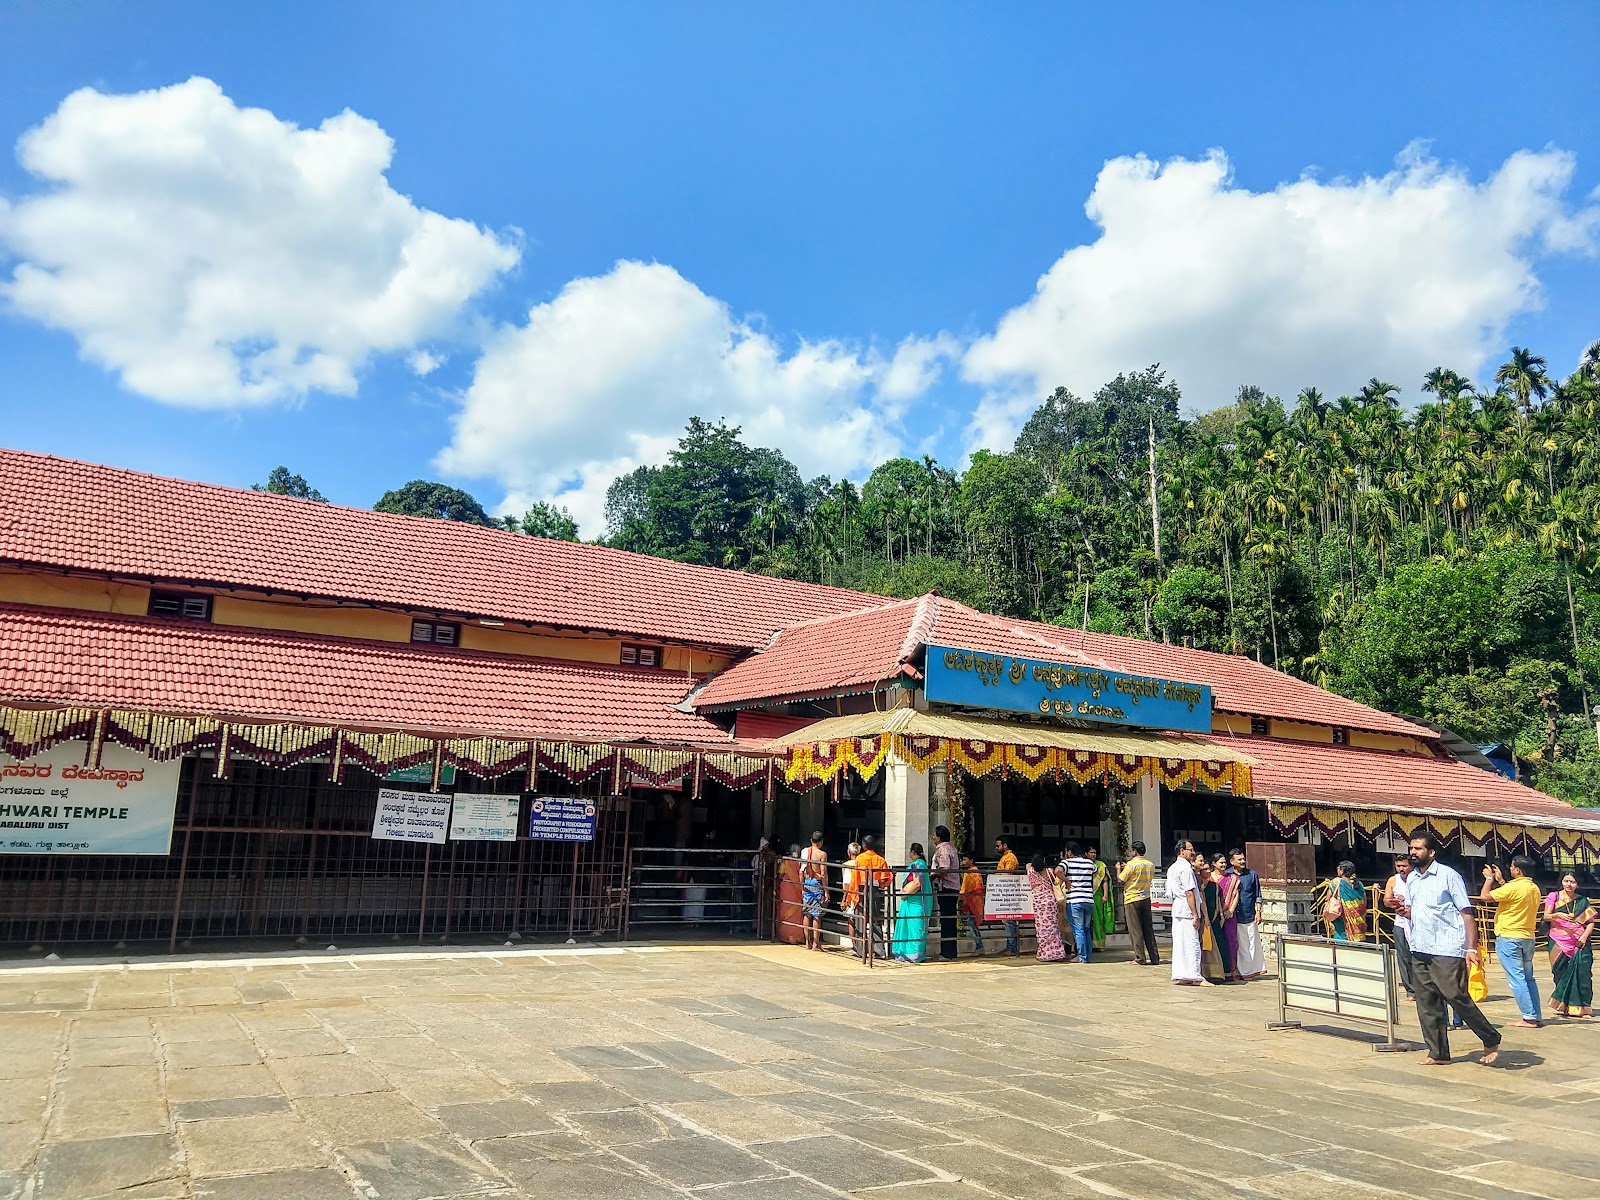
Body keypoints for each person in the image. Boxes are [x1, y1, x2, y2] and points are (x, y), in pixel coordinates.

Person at [1395, 832, 1501, 1066]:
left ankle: (1490, 1037)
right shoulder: (1412, 879)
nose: (1413, 852)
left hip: (1447, 947)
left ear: (1431, 852)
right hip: (1420, 946)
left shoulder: (1448, 876)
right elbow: (1417, 911)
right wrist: (1405, 912)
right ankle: (1438, 1052)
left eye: (1419, 849)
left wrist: (1470, 948)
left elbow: (1466, 913)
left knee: (1454, 995)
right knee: (1427, 1002)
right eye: (1411, 848)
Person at [1480, 856, 1543, 1028]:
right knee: (1528, 978)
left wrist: (1489, 879)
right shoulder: (1533, 888)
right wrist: (1501, 881)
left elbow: (1485, 896)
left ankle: (1529, 1017)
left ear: (1518, 870)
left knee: (1517, 979)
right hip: (1527, 936)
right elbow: (1512, 895)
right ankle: (1535, 1014)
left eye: (1512, 867)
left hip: (1509, 936)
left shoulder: (1514, 887)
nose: (1510, 869)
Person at [1545, 872, 1595, 1019]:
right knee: (1559, 973)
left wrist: (1584, 938)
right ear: (1561, 882)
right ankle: (1564, 1005)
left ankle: (1583, 1007)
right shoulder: (1554, 896)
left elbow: (1590, 922)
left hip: (1579, 943)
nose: (1569, 884)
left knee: (1583, 975)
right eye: (1566, 881)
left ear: (1577, 884)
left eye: (1572, 882)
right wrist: (1557, 915)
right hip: (1558, 940)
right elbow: (1546, 916)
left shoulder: (1582, 901)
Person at [1167, 840, 1210, 986]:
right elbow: (1189, 892)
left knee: (1181, 943)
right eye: (1190, 850)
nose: (1192, 852)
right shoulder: (1184, 869)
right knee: (1192, 943)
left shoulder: (1173, 867)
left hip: (1179, 909)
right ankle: (1194, 975)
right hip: (1186, 910)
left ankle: (1183, 974)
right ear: (1181, 851)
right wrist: (1195, 915)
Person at [1117, 842, 1160, 966]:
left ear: (1135, 851)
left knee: (1135, 930)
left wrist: (1119, 869)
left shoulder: (1131, 864)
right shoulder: (1150, 864)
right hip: (1146, 897)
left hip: (1132, 898)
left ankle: (1140, 957)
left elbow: (1121, 879)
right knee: (1148, 929)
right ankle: (1154, 957)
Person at [891, 842, 933, 963]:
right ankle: (910, 954)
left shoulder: (917, 865)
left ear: (913, 852)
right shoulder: (921, 864)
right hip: (912, 902)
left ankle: (915, 955)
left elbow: (917, 883)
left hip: (915, 902)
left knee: (915, 928)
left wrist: (905, 894)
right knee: (911, 927)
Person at [1384, 855, 1417, 1001]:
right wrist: (1393, 902)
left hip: (1417, 923)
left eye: (1404, 866)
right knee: (1403, 957)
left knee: (1418, 955)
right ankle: (1410, 989)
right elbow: (1386, 899)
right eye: (1398, 866)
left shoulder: (1418, 878)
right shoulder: (1393, 880)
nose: (1401, 869)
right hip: (1400, 923)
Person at [1230, 849, 1264, 980]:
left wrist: (1258, 912)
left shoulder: (1252, 875)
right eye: (1239, 859)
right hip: (1233, 916)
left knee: (1251, 944)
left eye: (1243, 859)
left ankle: (1250, 971)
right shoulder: (1227, 875)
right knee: (1237, 945)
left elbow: (1258, 895)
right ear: (1232, 861)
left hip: (1249, 915)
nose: (1243, 861)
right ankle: (1238, 970)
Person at [855, 836, 892, 958]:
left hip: (861, 890)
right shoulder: (880, 860)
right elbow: (886, 878)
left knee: (861, 919)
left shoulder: (859, 858)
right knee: (875, 920)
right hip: (875, 890)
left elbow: (855, 878)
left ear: (864, 846)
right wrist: (883, 885)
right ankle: (880, 951)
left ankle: (861, 951)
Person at [1026, 853, 1067, 962]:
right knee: (1053, 926)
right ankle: (1057, 952)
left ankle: (1044, 953)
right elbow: (1055, 882)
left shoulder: (1030, 871)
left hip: (1038, 901)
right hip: (1050, 900)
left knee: (1041, 928)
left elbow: (1028, 864)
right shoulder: (1049, 871)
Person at [1059, 842, 1096, 963]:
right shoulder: (1089, 862)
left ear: (1069, 852)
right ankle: (1087, 955)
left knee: (1078, 929)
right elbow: (1094, 870)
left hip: (1075, 899)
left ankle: (1082, 956)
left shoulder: (1067, 862)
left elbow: (1057, 871)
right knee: (1086, 929)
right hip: (1089, 899)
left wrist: (1067, 880)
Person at [931, 825, 961, 961]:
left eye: (934, 835)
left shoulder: (943, 849)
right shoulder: (951, 848)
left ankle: (947, 953)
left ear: (939, 837)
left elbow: (944, 867)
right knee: (949, 920)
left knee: (947, 920)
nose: (933, 837)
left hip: (947, 887)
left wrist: (932, 875)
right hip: (952, 887)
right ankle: (950, 951)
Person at [1196, 859, 1228, 982]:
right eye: (1206, 869)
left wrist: (1220, 915)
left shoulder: (1214, 885)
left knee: (1219, 944)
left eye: (1209, 869)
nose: (1208, 871)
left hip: (1214, 919)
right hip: (1202, 919)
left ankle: (1221, 973)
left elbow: (1218, 901)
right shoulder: (1198, 886)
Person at [1323, 861, 1368, 942]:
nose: (1337, 869)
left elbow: (1327, 898)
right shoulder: (1359, 884)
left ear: (1342, 871)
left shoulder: (1336, 882)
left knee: (1342, 936)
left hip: (1342, 915)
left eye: (1338, 868)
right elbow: (1364, 901)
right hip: (1358, 916)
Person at [800, 831, 828, 951]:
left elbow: (801, 870)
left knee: (807, 913)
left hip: (807, 882)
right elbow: (823, 873)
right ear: (821, 842)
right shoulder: (822, 854)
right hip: (817, 884)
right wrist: (826, 890)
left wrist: (801, 887)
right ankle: (816, 943)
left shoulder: (805, 852)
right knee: (816, 915)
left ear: (811, 841)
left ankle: (807, 942)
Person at [994, 837, 1021, 957]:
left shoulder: (1010, 858)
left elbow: (1007, 875)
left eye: (998, 846)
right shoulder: (1005, 857)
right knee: (1007, 920)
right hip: (1004, 891)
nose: (996, 848)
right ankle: (1010, 945)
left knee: (1009, 921)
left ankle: (1012, 947)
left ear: (1005, 845)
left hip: (1008, 892)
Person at [1216, 852, 1241, 979]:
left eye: (1225, 862)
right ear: (1214, 864)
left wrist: (1230, 910)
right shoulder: (1210, 878)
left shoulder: (1232, 878)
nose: (1224, 864)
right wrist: (1220, 912)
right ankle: (1218, 970)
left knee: (1231, 941)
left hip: (1229, 915)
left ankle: (1232, 971)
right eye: (1221, 862)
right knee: (1217, 942)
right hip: (1215, 914)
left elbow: (1236, 894)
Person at [776, 845, 805, 945]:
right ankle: (796, 936)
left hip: (786, 889)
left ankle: (785, 935)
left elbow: (780, 874)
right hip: (797, 889)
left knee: (785, 909)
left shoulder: (786, 861)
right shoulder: (801, 862)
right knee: (796, 912)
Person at [1088, 846, 1115, 951]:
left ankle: (1099, 944)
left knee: (1098, 919)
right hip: (1086, 895)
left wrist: (1105, 895)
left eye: (1094, 852)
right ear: (1086, 853)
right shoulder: (1083, 864)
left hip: (1097, 895)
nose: (1093, 854)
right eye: (1091, 852)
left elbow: (1105, 881)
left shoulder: (1100, 865)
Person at [959, 854, 986, 955]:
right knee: (972, 924)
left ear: (971, 860)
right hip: (969, 900)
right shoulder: (970, 872)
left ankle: (979, 947)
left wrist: (966, 898)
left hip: (972, 901)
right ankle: (979, 947)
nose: (963, 862)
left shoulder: (974, 872)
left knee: (972, 925)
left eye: (965, 859)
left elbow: (976, 889)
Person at [841, 841, 864, 958]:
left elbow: (846, 883)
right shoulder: (862, 862)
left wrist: (844, 899)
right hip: (861, 894)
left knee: (850, 920)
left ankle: (855, 946)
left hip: (851, 895)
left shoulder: (847, 865)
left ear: (849, 852)